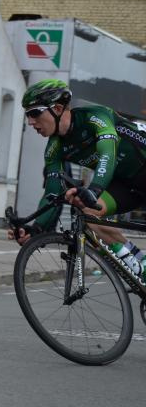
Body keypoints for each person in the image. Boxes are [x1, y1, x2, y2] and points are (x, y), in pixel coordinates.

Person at [9, 79, 146, 277]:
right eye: (27, 115)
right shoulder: (53, 150)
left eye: (35, 113)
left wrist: (94, 189)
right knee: (89, 214)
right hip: (126, 184)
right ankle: (141, 266)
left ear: (57, 108)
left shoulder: (95, 116)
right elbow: (52, 193)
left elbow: (108, 155)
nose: (30, 122)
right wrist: (36, 228)